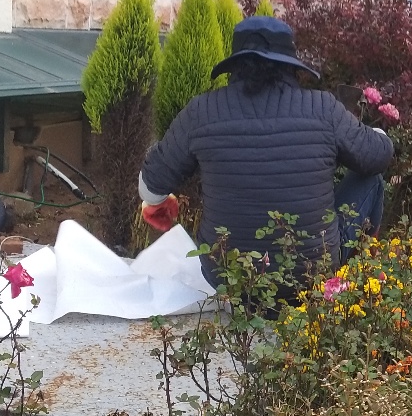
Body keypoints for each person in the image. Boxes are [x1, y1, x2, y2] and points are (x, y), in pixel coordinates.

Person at [137, 16, 394, 289]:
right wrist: (373, 133)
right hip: (311, 275)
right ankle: (355, 285)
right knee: (371, 180)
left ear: (234, 65)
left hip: (226, 277)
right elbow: (378, 156)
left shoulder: (202, 111)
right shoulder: (323, 108)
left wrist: (159, 201)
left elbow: (149, 190)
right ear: (290, 65)